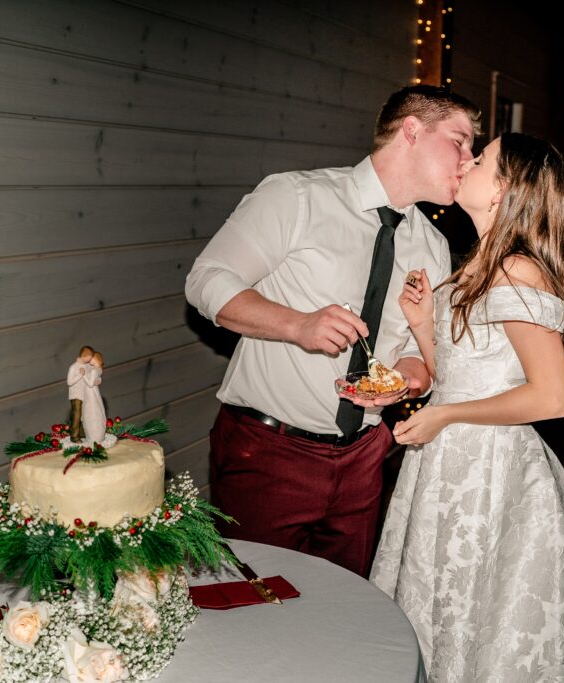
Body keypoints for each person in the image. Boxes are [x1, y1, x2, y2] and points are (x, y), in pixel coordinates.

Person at [371, 133, 564, 681]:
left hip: (492, 473)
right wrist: (424, 327)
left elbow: (551, 398)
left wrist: (443, 415)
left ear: (504, 190)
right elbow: (457, 378)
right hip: (444, 465)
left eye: (482, 158)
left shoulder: (520, 271)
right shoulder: (473, 265)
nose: (467, 161)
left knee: (485, 617)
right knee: (440, 608)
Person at [185, 85, 481, 576]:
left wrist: (407, 380)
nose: (468, 160)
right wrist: (296, 324)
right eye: (460, 141)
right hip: (269, 453)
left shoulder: (432, 242)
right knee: (255, 611)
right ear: (411, 130)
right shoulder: (297, 197)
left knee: (344, 618)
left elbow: (420, 353)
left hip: (365, 459)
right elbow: (206, 281)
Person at [67, 345, 95, 442]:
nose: (90, 360)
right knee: (77, 415)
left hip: (85, 394)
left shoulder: (87, 366)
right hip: (76, 395)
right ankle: (74, 436)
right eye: (90, 357)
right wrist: (80, 375)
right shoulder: (73, 367)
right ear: (85, 356)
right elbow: (69, 382)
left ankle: (83, 433)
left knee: (85, 415)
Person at [81, 351, 107, 444]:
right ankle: (97, 435)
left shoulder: (93, 370)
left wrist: (83, 375)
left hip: (90, 392)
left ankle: (93, 436)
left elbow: (90, 383)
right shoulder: (97, 369)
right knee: (96, 410)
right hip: (94, 392)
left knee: (91, 411)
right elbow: (98, 380)